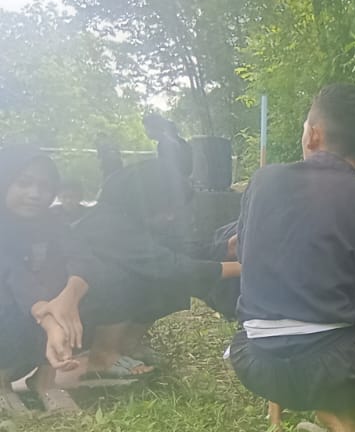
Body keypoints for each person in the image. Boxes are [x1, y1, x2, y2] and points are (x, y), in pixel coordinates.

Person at [229, 83, 355, 432]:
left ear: (313, 135)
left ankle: (337, 422)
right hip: (336, 366)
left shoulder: (262, 181)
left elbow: (246, 257)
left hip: (254, 361)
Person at [72, 159, 239, 376]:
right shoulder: (108, 224)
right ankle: (102, 355)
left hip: (96, 308)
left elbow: (174, 251)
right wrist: (242, 268)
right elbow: (171, 267)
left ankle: (128, 343)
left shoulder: (136, 218)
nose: (171, 216)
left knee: (164, 280)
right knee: (124, 278)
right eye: (167, 208)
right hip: (73, 317)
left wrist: (224, 249)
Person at [0, 146, 97, 413]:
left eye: (44, 185)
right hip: (15, 305)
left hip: (41, 309)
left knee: (87, 291)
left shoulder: (53, 223)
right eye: (24, 183)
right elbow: (12, 274)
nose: (35, 194)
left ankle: (45, 380)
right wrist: (49, 318)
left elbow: (82, 257)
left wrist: (70, 297)